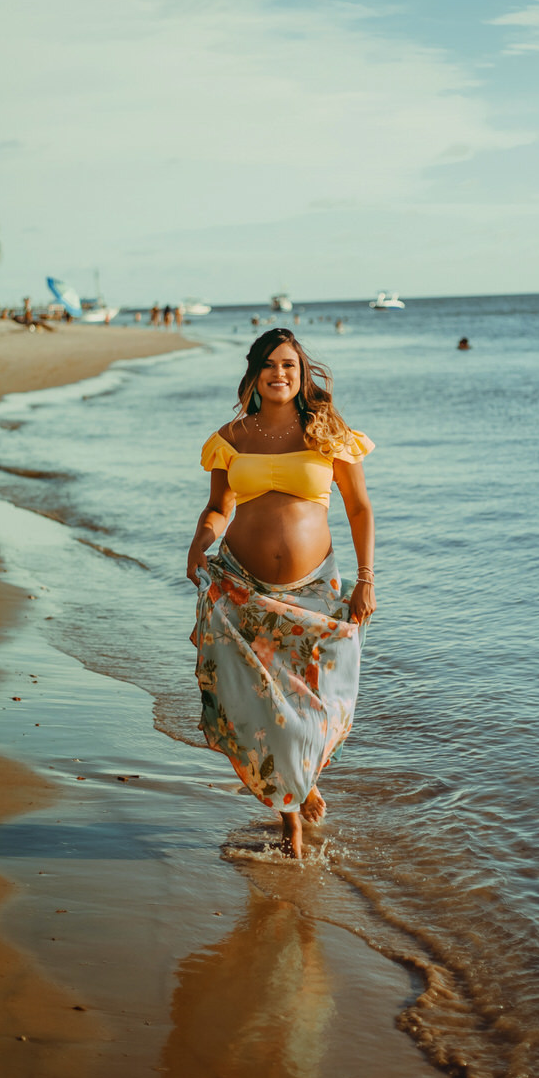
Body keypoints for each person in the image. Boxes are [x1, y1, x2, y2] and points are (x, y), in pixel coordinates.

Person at [187, 328, 376, 859]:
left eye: (289, 364)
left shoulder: (326, 431)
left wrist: (366, 578)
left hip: (314, 590)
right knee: (255, 704)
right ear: (254, 374)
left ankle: (301, 776)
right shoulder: (231, 437)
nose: (280, 374)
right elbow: (219, 507)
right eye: (269, 365)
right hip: (242, 589)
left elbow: (359, 508)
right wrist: (200, 541)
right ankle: (290, 814)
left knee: (318, 699)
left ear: (302, 372)